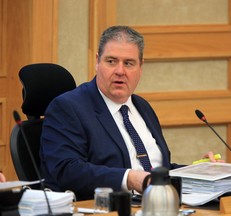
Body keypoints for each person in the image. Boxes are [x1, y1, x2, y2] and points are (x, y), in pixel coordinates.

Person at [40, 25, 219, 201]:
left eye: (128, 63)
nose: (120, 71)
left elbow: (156, 169)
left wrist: (199, 172)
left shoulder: (142, 107)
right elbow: (66, 170)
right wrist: (129, 179)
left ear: (140, 67)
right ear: (97, 61)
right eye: (111, 61)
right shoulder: (68, 107)